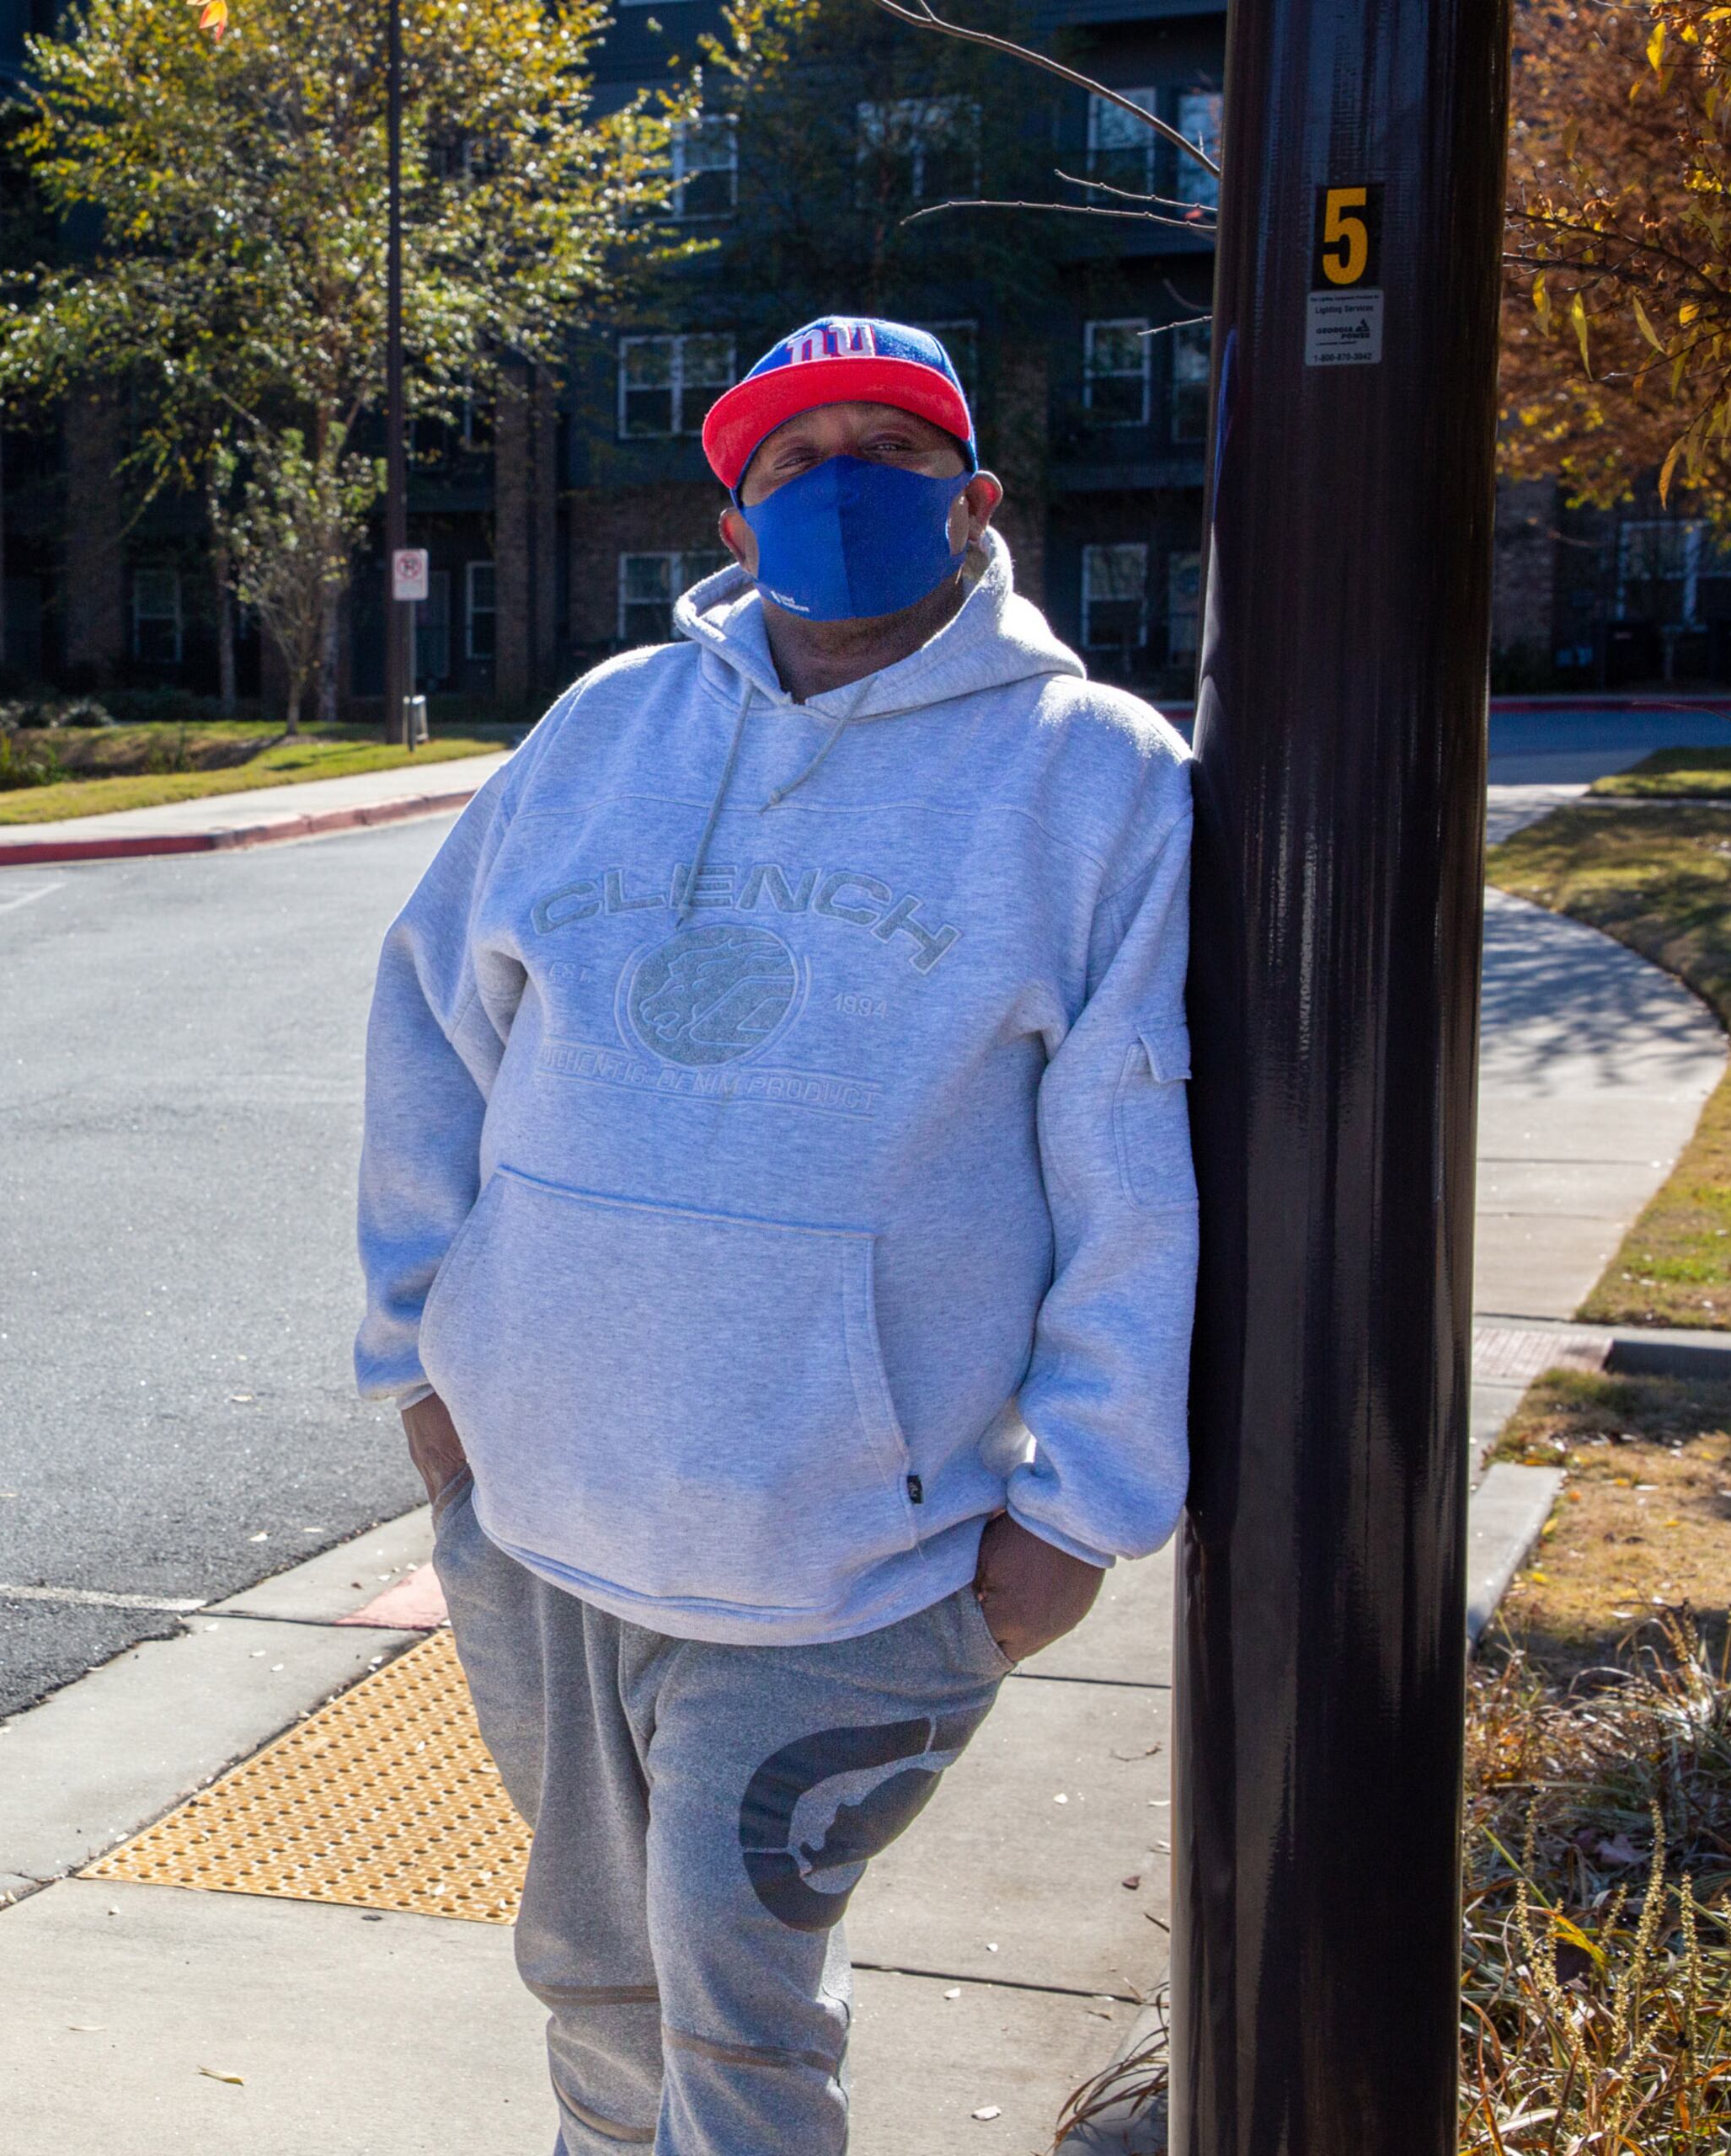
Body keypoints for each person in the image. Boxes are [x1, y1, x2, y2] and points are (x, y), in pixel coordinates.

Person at [352, 316, 1194, 2154]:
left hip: (849, 1563)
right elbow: (431, 1022)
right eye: (794, 461)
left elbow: (1130, 1161)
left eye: (889, 449)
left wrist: (1080, 1514)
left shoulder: (1095, 775)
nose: (841, 486)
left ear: (974, 501)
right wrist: (420, 1365)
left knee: (736, 2016)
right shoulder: (605, 728)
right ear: (734, 527)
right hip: (542, 1518)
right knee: (592, 1973)